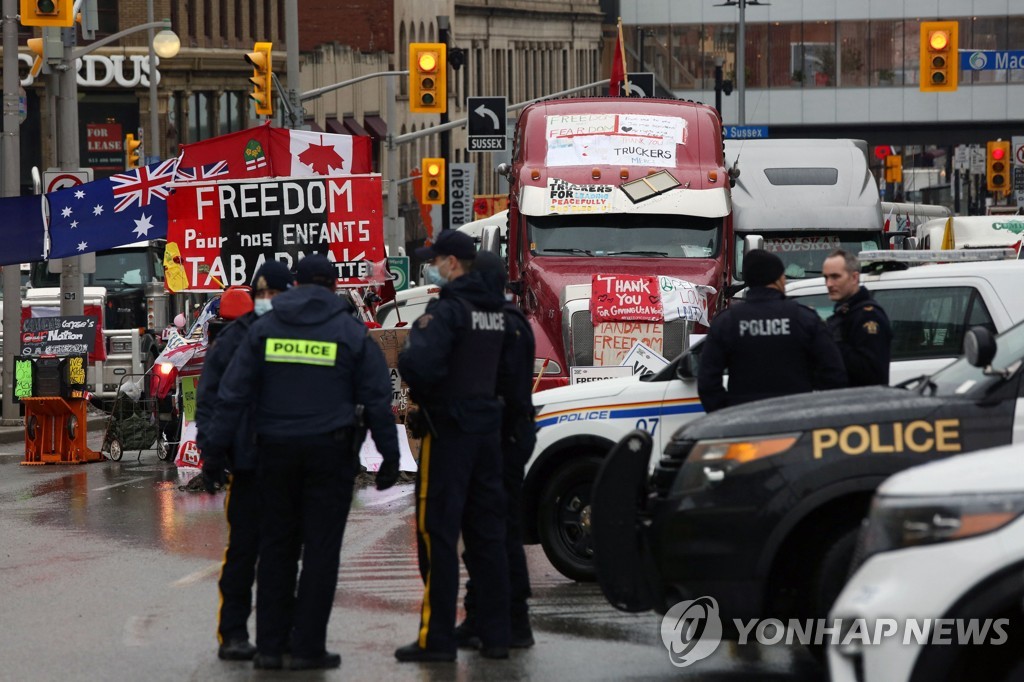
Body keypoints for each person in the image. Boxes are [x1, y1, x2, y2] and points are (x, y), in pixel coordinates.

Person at [204, 254, 401, 671]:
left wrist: (214, 453)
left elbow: (232, 394)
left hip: (273, 455)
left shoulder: (266, 329)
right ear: (332, 287)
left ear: (294, 287)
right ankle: (308, 647)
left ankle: (271, 648)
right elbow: (378, 399)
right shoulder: (349, 330)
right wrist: (390, 455)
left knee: (277, 549)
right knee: (320, 553)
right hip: (329, 457)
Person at [395, 230, 511, 663]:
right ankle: (496, 635)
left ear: (452, 264)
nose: (433, 267)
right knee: (487, 537)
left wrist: (431, 399)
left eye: (436, 260)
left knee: (438, 536)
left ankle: (437, 639)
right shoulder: (498, 313)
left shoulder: (448, 310)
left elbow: (415, 362)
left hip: (450, 435)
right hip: (489, 435)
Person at [197, 262, 293, 662]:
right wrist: (212, 455)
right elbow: (210, 401)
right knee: (243, 553)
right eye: (263, 293)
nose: (269, 300)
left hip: (289, 464)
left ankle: (279, 634)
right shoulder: (232, 341)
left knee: (284, 555)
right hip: (249, 466)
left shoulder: (298, 333)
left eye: (276, 293)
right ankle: (233, 633)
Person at [454, 250, 536, 650]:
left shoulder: (489, 321)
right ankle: (484, 615)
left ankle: (513, 620)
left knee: (495, 535)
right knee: (492, 534)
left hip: (496, 438)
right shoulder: (516, 321)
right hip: (511, 436)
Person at [698, 249, 847, 412]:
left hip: (743, 423)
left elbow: (707, 381)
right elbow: (834, 373)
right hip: (798, 419)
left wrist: (725, 415)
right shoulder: (804, 318)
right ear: (778, 279)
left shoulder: (726, 322)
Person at [823, 249, 893, 387]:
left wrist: (831, 343)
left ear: (854, 278)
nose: (829, 284)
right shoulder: (845, 312)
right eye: (826, 277)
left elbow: (871, 372)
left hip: (862, 402)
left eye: (835, 277)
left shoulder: (868, 316)